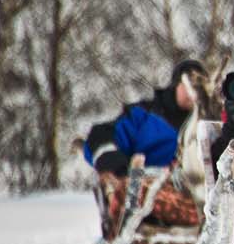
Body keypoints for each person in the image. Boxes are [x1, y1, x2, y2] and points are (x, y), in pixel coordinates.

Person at [83, 59, 207, 229]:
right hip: (143, 187)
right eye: (188, 86)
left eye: (198, 88)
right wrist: (116, 166)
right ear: (175, 85)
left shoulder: (207, 122)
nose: (193, 93)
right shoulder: (144, 116)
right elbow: (101, 136)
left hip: (191, 194)